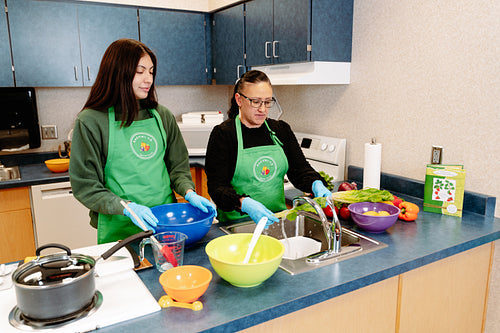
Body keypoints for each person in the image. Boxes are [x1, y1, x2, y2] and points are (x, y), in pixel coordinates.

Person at [69, 38, 215, 244]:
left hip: (166, 226)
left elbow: (178, 167)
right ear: (117, 72)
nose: (148, 79)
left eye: (151, 71)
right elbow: (86, 185)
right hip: (119, 229)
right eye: (140, 71)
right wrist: (128, 208)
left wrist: (188, 191)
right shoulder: (91, 121)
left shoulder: (161, 115)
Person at [205, 70, 331, 226]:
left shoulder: (280, 130)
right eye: (256, 101)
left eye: (267, 102)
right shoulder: (224, 134)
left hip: (276, 220)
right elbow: (217, 187)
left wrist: (315, 183)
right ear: (239, 99)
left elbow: (300, 171)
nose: (262, 109)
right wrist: (244, 203)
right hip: (237, 225)